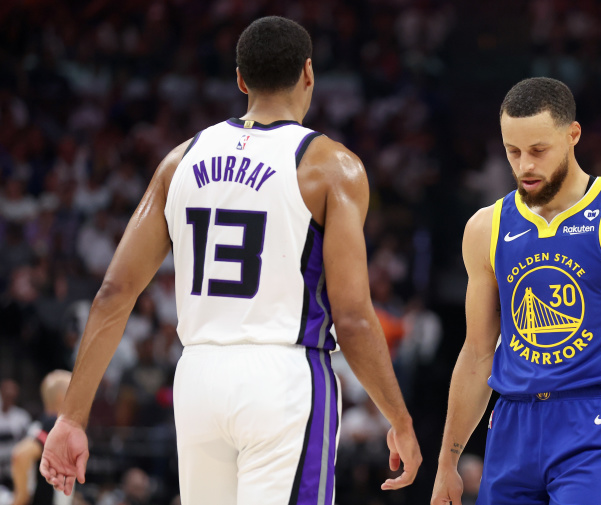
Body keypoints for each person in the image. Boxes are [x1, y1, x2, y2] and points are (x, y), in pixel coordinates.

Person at [38, 16, 421, 505]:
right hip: (282, 377)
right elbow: (351, 317)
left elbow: (114, 292)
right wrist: (400, 419)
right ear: (308, 73)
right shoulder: (331, 167)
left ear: (240, 80)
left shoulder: (179, 161)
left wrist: (71, 417)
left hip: (197, 377)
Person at [431, 77, 601, 505]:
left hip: (595, 419)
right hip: (511, 420)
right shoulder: (485, 229)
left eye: (537, 151)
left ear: (573, 136)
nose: (524, 166)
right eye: (512, 152)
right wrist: (447, 463)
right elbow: (477, 354)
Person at [10, 370, 72, 505]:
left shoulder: (42, 423)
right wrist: (20, 498)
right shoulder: (54, 424)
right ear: (62, 397)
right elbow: (21, 455)